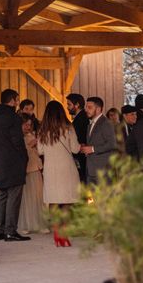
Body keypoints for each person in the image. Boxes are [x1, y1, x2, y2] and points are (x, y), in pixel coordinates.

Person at [37, 101, 81, 247]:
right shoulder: (68, 127)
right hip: (67, 169)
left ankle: (57, 235)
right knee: (66, 201)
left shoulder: (43, 130)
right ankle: (65, 235)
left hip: (50, 169)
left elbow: (40, 151)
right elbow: (75, 149)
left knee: (54, 201)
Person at [0, 89, 30, 242]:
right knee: (14, 195)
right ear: (13, 100)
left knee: (3, 195)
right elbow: (18, 141)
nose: (18, 103)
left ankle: (1, 230)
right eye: (18, 100)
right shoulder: (13, 117)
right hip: (13, 161)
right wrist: (24, 158)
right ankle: (10, 231)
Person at [18, 113, 45, 234]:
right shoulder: (18, 137)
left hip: (36, 168)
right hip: (26, 169)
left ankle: (40, 223)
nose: (28, 127)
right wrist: (31, 144)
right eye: (26, 124)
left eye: (30, 124)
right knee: (27, 198)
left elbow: (39, 151)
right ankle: (26, 225)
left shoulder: (33, 135)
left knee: (38, 197)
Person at [80, 96, 117, 184]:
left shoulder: (106, 123)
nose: (86, 110)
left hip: (103, 172)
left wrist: (92, 149)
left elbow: (112, 144)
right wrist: (85, 148)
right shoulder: (90, 124)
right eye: (86, 107)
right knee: (92, 198)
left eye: (89, 107)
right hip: (91, 170)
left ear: (98, 109)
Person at [66, 93, 89, 183]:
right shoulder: (79, 118)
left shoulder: (82, 118)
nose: (67, 107)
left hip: (81, 156)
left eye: (69, 104)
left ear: (77, 105)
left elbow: (80, 139)